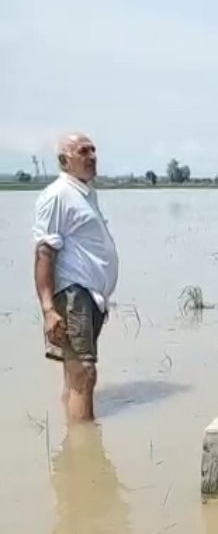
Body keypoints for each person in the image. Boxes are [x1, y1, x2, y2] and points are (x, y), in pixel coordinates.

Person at [33, 132, 119, 422]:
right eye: (84, 151)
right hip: (73, 294)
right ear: (64, 160)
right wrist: (48, 309)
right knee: (83, 370)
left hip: (90, 296)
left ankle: (76, 453)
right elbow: (45, 252)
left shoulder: (84, 193)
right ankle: (84, 442)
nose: (92, 157)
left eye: (94, 150)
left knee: (75, 374)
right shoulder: (58, 195)